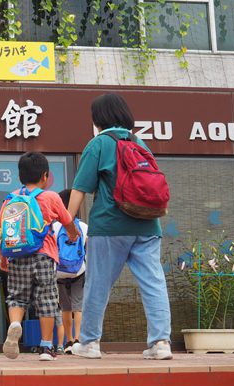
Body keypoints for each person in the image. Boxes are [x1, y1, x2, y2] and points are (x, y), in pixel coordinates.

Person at [66, 93, 172, 360]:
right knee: (154, 284)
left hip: (110, 225)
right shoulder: (141, 144)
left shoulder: (99, 144)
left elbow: (80, 188)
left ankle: (89, 343)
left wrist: (69, 223)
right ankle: (160, 343)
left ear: (98, 119)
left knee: (98, 285)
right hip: (148, 225)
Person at [0, 152, 78, 361]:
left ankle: (15, 324)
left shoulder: (11, 198)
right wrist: (72, 234)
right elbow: (67, 221)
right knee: (47, 299)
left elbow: (0, 231)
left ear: (20, 176)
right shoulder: (51, 197)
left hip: (16, 254)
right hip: (44, 254)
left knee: (16, 296)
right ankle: (46, 347)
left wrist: (3, 258)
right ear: (45, 176)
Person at [53, 189, 88, 354]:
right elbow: (87, 246)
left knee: (65, 308)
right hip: (78, 271)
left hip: (59, 272)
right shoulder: (83, 226)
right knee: (78, 307)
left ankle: (67, 341)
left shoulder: (55, 227)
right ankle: (78, 339)